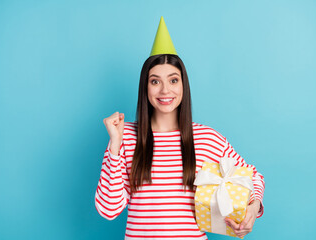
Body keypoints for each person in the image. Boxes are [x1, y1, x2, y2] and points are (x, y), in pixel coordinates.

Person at [95, 17, 265, 240]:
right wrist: (115, 147)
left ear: (183, 85)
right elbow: (108, 210)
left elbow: (252, 176)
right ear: (145, 88)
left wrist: (252, 209)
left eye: (173, 80)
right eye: (155, 81)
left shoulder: (207, 139)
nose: (165, 90)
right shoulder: (125, 136)